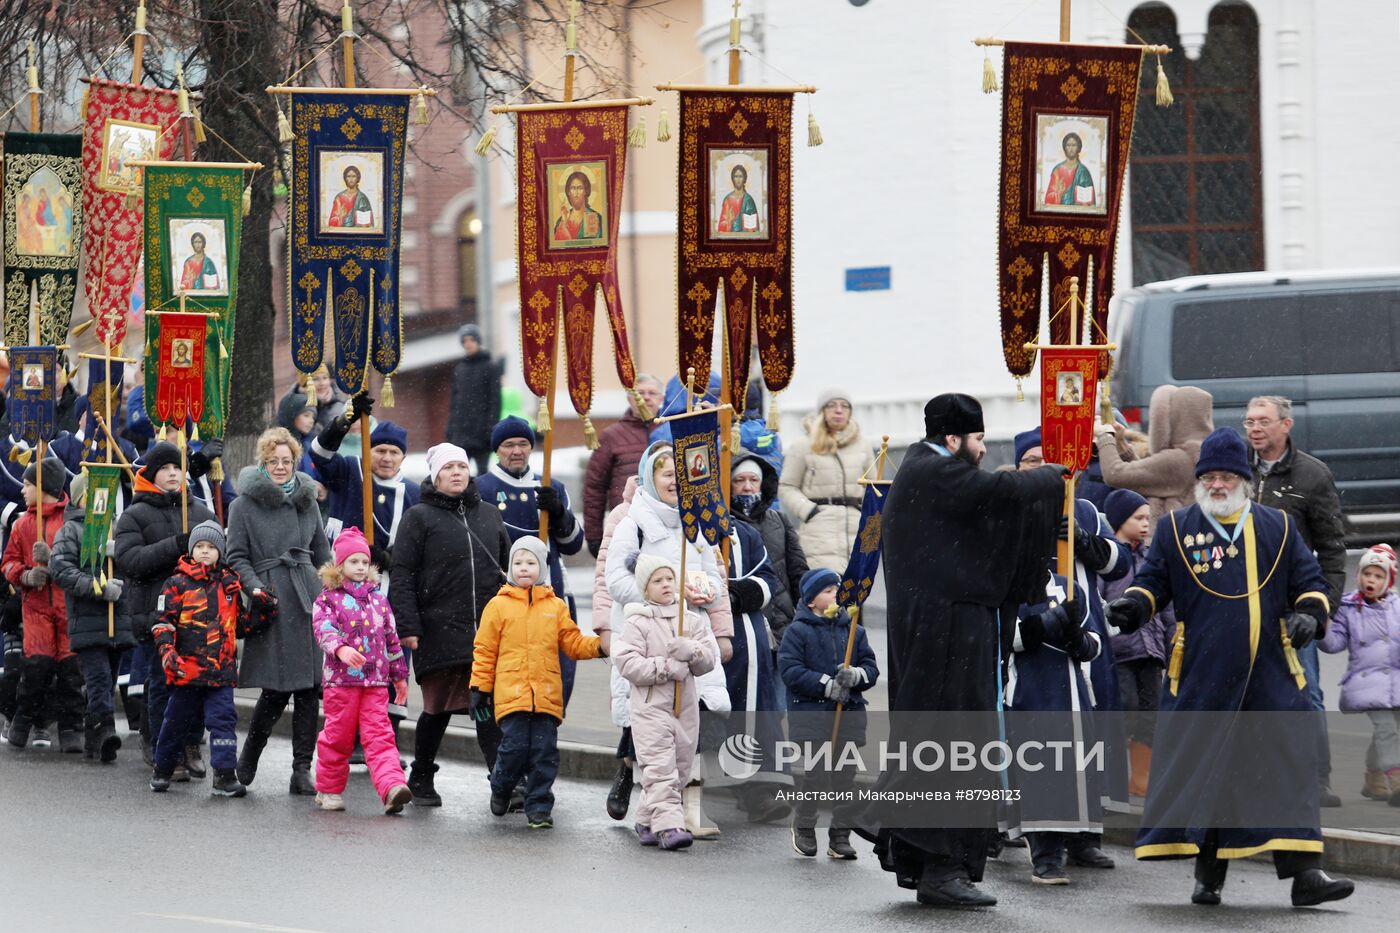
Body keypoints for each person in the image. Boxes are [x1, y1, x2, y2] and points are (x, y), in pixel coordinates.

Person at [1108, 427, 1355, 908]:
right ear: (1200, 481)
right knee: (1211, 774)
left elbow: (1310, 581)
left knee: (1289, 770)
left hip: (1271, 676)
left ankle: (1306, 874)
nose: (1218, 485)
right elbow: (1154, 582)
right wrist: (1133, 606)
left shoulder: (1277, 527)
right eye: (1211, 476)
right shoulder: (1176, 528)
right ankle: (1209, 874)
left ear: (1244, 480)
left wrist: (1309, 612)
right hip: (1203, 674)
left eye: (1227, 476)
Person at [859, 394, 1066, 909]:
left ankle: (914, 847)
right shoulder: (933, 470)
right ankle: (937, 864)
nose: (980, 451)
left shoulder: (928, 473)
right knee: (952, 748)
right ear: (953, 438)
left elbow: (982, 519)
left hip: (948, 631)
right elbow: (996, 489)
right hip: (945, 637)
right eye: (976, 441)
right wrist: (1051, 478)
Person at [598, 443, 733, 825]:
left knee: (688, 732)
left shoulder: (697, 523)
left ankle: (682, 811)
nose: (674, 481)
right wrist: (658, 597)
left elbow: (715, 580)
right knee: (652, 730)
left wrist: (698, 591)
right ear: (650, 478)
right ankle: (659, 810)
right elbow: (615, 579)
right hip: (647, 639)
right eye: (666, 474)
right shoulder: (632, 523)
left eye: (679, 474)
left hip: (690, 638)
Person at [1014, 427, 1131, 864]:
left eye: (1049, 458)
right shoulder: (1013, 509)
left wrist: (1083, 541)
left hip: (1085, 634)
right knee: (1044, 742)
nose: (1042, 466)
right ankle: (1043, 837)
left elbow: (1121, 562)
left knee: (1092, 735)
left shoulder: (1083, 508)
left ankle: (1086, 834)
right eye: (1031, 460)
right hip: (1034, 635)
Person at [390, 443, 510, 807]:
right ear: (436, 475)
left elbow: (507, 567)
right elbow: (402, 574)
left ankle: (502, 782)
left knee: (486, 706)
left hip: (487, 633)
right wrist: (408, 625)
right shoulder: (418, 517)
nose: (457, 472)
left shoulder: (489, 515)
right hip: (439, 630)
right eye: (449, 467)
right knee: (437, 708)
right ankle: (422, 775)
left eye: (462, 466)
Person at [1245, 394, 1348, 807]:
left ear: (1285, 425)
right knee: (1249, 692)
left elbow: (1332, 548)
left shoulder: (1312, 475)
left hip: (1294, 606)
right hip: (1245, 601)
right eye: (1249, 420)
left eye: (1263, 421)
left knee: (1305, 692)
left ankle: (1316, 779)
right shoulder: (1236, 471)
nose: (1254, 428)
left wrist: (1322, 608)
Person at [469, 535, 603, 828]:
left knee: (544, 754)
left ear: (542, 567)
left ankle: (539, 807)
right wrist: (479, 688)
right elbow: (485, 649)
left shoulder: (555, 606)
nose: (524, 568)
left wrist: (600, 647)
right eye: (518, 562)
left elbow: (572, 642)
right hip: (511, 695)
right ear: (510, 567)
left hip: (546, 695)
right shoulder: (498, 606)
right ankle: (501, 786)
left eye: (531, 562)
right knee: (513, 749)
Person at [230, 427, 332, 796]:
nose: (280, 466)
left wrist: (334, 590)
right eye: (273, 460)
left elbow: (322, 553)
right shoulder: (243, 505)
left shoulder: (308, 501)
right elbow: (236, 555)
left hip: (309, 597)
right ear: (262, 462)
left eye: (286, 460)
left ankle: (301, 769)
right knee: (275, 689)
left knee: (310, 688)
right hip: (272, 599)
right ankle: (250, 756)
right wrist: (255, 587)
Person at [114, 441, 217, 775]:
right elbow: (130, 561)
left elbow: (220, 553)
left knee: (197, 681)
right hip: (156, 611)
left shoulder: (200, 510)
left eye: (178, 467)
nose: (173, 473)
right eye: (166, 468)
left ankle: (190, 744)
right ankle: (161, 745)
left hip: (198, 613)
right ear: (153, 474)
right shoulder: (135, 514)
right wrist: (175, 545)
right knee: (163, 681)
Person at [150, 521, 268, 797]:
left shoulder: (229, 584)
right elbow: (162, 623)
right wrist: (168, 652)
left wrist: (262, 612)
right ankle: (162, 768)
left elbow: (239, 626)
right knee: (175, 722)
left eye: (211, 547)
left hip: (221, 671)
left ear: (220, 551)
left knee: (223, 721)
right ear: (192, 550)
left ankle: (225, 775)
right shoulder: (176, 583)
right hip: (186, 670)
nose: (205, 552)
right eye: (200, 546)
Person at [1004, 571, 1103, 885]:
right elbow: (1007, 638)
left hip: (1072, 697)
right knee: (1038, 779)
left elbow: (1096, 643)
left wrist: (1079, 640)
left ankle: (1065, 846)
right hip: (1030, 697)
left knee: (1070, 780)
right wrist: (1051, 620)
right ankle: (1044, 856)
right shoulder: (1007, 585)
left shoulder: (1069, 587)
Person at [476, 416, 583, 703]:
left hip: (549, 593)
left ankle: (549, 722)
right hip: (503, 596)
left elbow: (573, 545)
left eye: (523, 444)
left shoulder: (551, 486)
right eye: (509, 445)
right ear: (497, 450)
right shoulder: (481, 489)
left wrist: (559, 512)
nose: (517, 451)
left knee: (555, 667)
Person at [614, 553, 717, 851]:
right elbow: (628, 663)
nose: (665, 585)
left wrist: (693, 651)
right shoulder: (637, 621)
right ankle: (670, 826)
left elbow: (708, 661)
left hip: (684, 706)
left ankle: (646, 819)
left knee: (681, 767)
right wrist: (667, 667)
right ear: (645, 588)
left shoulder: (691, 620)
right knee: (660, 767)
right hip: (650, 708)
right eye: (657, 580)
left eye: (669, 579)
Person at [311, 527, 413, 815]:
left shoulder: (379, 600)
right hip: (341, 682)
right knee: (338, 736)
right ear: (340, 565)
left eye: (364, 562)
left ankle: (393, 786)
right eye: (353, 561)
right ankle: (329, 789)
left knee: (380, 735)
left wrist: (400, 675)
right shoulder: (328, 599)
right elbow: (323, 629)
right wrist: (340, 649)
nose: (359, 567)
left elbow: (392, 639)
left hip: (376, 682)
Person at [778, 567, 878, 861]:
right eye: (828, 591)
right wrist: (825, 685)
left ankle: (840, 835)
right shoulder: (798, 632)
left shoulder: (854, 631)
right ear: (811, 601)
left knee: (845, 778)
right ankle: (805, 826)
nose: (836, 595)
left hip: (849, 717)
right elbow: (791, 670)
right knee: (816, 774)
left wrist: (856, 676)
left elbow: (871, 668)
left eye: (837, 590)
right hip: (812, 718)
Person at [49, 471, 134, 762]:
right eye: (95, 493)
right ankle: (104, 730)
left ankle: (92, 735)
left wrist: (120, 554)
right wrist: (96, 587)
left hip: (118, 619)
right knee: (97, 677)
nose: (103, 499)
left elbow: (135, 567)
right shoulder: (71, 530)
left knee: (108, 679)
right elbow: (61, 569)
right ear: (80, 498)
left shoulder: (117, 528)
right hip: (87, 619)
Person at [3, 458, 84, 752]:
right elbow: (8, 562)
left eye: (27, 484)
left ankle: (72, 727)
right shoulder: (22, 524)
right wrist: (25, 574)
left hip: (68, 607)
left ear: (45, 487)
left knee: (71, 670)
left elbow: (82, 561)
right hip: (35, 607)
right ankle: (22, 720)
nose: (23, 490)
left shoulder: (72, 521)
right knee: (36, 667)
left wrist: (54, 559)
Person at [1099, 488, 1170, 799]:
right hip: (1120, 651)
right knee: (1124, 708)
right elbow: (1097, 598)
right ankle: (1112, 775)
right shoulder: (1107, 558)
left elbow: (1166, 605)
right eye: (1138, 518)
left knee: (1151, 713)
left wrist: (1171, 640)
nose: (1145, 524)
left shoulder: (1151, 556)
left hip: (1150, 649)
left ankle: (1140, 778)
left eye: (1147, 518)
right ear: (1118, 521)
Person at [1319, 545, 1400, 805]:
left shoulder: (1397, 607)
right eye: (1367, 574)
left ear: (1388, 580)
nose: (1371, 581)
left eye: (1378, 576)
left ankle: (1373, 777)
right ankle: (1396, 778)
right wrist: (1323, 627)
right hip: (1368, 682)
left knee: (1390, 729)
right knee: (1387, 729)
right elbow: (1334, 644)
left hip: (1395, 681)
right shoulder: (1349, 608)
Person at [779, 390, 875, 572]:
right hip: (819, 529)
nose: (839, 411)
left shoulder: (863, 445)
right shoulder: (803, 445)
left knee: (857, 589)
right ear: (822, 411)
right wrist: (809, 511)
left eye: (844, 406)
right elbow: (787, 486)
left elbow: (874, 488)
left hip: (856, 527)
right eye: (832, 405)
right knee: (827, 589)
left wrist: (867, 515)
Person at [1095, 384, 1213, 527]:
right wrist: (1121, 444)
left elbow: (1115, 474)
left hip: (1168, 543)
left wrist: (1104, 435)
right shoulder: (1200, 453)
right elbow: (1150, 478)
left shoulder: (1179, 459)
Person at [310, 394, 419, 547]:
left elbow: (416, 542)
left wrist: (386, 558)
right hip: (341, 564)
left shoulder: (414, 493)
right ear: (367, 452)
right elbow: (319, 453)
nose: (387, 458)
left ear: (403, 458)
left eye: (394, 452)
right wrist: (343, 422)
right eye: (380, 451)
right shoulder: (350, 470)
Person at [583, 374, 663, 557]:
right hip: (627, 524)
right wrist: (594, 535)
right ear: (629, 398)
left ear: (662, 398)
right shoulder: (611, 436)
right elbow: (594, 488)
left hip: (666, 523)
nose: (646, 397)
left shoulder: (671, 430)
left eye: (652, 393)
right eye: (640, 392)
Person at [445, 324, 501, 475]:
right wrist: (451, 428)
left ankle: (480, 499)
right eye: (465, 341)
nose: (468, 344)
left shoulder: (490, 367)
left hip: (482, 433)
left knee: (482, 474)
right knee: (460, 473)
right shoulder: (460, 369)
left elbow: (495, 400)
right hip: (461, 433)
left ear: (478, 341)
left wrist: (490, 428)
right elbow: (455, 402)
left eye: (471, 340)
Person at [1044, 131, 1094, 206]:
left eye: (1074, 145)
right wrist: (1059, 193)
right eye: (1068, 145)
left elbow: (1090, 201)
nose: (1071, 148)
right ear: (1064, 148)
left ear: (1078, 148)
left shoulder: (1084, 171)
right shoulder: (1057, 170)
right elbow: (1048, 199)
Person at [552, 170, 603, 241]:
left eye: (580, 188)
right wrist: (564, 222)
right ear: (568, 192)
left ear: (585, 191)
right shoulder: (561, 221)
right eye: (573, 188)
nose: (576, 193)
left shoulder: (595, 217)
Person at [717, 163, 759, 234]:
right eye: (736, 176)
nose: (738, 179)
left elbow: (754, 227)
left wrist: (750, 229)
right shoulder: (727, 199)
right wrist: (729, 222)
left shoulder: (749, 200)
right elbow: (721, 226)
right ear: (732, 179)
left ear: (744, 178)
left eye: (740, 176)